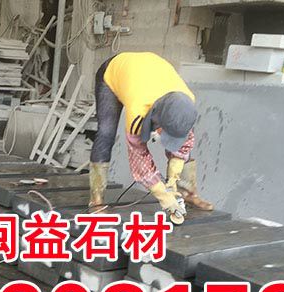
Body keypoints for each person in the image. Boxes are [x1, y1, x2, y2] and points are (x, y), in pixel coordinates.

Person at [89, 52, 213, 224]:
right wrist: (163, 195)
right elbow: (139, 159)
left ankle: (188, 193)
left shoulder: (186, 103)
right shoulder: (138, 110)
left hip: (147, 72)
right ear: (156, 120)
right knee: (106, 134)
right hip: (113, 72)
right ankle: (96, 201)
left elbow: (185, 142)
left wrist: (173, 178)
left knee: (180, 134)